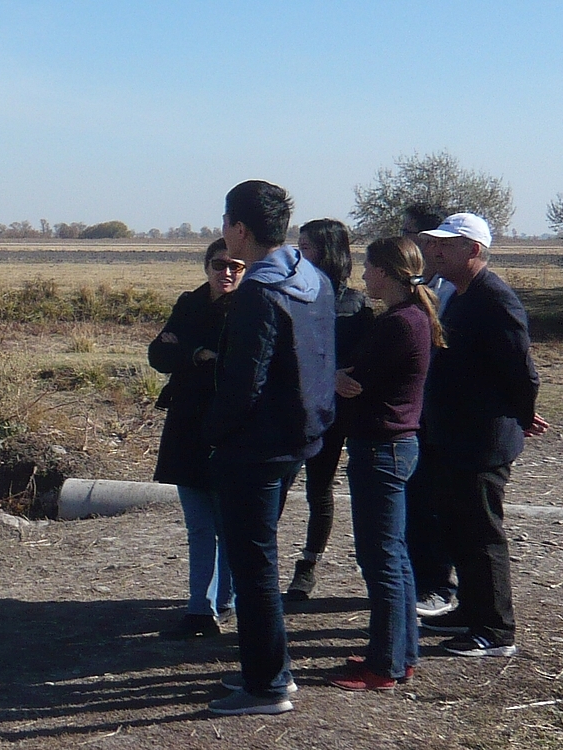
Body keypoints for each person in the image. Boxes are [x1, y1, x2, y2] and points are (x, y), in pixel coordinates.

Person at [205, 180, 336, 716]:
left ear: (238, 229)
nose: (223, 234)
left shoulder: (257, 292)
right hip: (300, 436)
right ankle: (270, 670)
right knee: (261, 559)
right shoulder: (311, 277)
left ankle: (268, 684)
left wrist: (212, 435)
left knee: (253, 565)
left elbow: (244, 383)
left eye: (225, 223)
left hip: (255, 448)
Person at [416, 213, 547, 657]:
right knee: (457, 528)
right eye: (434, 244)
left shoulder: (495, 300)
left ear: (473, 251)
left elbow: (521, 372)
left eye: (446, 246)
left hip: (482, 439)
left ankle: (495, 632)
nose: (435, 251)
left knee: (481, 533)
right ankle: (472, 610)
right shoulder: (458, 294)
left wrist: (522, 415)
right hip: (453, 435)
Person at [328, 237, 442, 691]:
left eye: (370, 268)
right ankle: (400, 653)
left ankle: (385, 667)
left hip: (382, 448)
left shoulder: (398, 324)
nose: (364, 276)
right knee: (394, 556)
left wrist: (333, 376)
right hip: (394, 446)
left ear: (389, 272)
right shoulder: (408, 318)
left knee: (381, 561)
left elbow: (355, 381)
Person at [149, 239, 243, 638]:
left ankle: (226, 599)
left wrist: (188, 349)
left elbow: (239, 363)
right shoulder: (188, 303)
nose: (226, 273)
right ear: (205, 266)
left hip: (231, 429)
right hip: (188, 428)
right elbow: (159, 355)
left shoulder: (251, 306)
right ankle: (199, 609)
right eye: (219, 265)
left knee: (230, 524)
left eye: (235, 266)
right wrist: (197, 354)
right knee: (200, 525)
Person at [279, 218, 374, 602]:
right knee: (278, 486)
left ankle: (308, 566)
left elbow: (363, 362)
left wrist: (337, 376)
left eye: (307, 245)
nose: (299, 252)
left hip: (333, 416)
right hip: (290, 409)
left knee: (320, 488)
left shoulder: (356, 305)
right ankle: (257, 564)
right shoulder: (290, 294)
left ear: (330, 251)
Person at [400, 202, 461, 618]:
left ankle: (440, 586)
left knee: (437, 504)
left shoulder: (452, 291)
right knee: (416, 502)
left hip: (445, 418)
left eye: (410, 233)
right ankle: (421, 580)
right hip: (420, 415)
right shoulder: (422, 287)